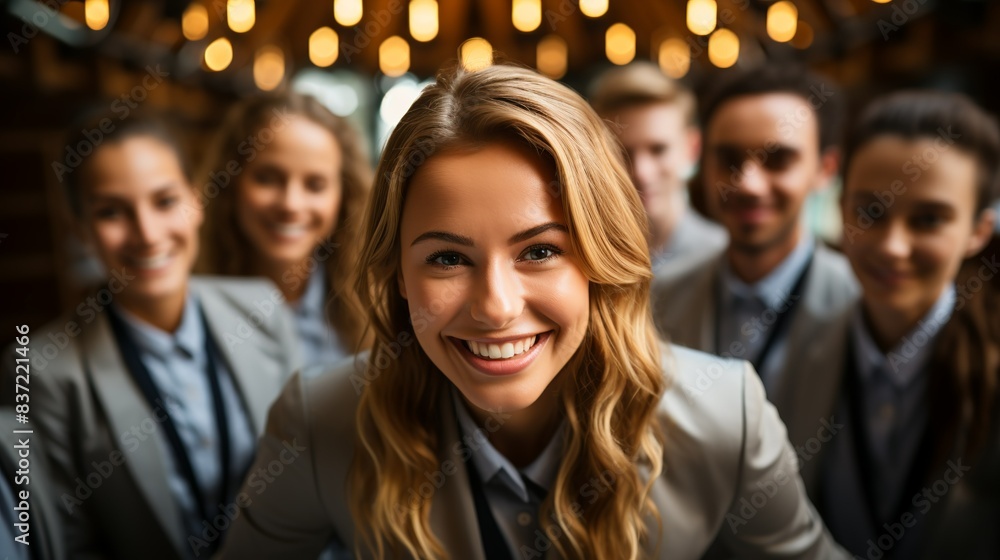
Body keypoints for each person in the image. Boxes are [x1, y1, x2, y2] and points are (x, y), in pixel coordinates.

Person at [219, 64, 847, 560]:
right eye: (446, 259)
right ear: (397, 276)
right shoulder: (322, 423)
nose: (495, 308)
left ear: (603, 259)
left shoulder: (725, 418)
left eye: (541, 250)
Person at [2, 111, 299, 559]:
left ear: (196, 202)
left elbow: (309, 473)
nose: (147, 233)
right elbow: (66, 545)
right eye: (111, 212)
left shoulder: (263, 306)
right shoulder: (39, 368)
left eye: (164, 201)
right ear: (81, 229)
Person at [809, 91, 1000, 558]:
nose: (893, 246)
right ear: (840, 210)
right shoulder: (795, 353)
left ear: (978, 232)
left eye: (929, 219)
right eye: (869, 212)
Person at [650, 65, 859, 449]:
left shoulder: (859, 305)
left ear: (825, 169)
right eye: (729, 160)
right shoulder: (658, 297)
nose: (748, 183)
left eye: (777, 160)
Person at [198, 92, 372, 368]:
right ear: (231, 184)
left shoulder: (376, 312)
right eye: (267, 178)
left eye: (315, 185)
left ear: (345, 197)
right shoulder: (189, 305)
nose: (291, 204)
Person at [590, 62, 727, 274]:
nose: (641, 172)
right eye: (622, 153)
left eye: (658, 150)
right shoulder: (586, 257)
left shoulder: (724, 258)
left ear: (692, 149)